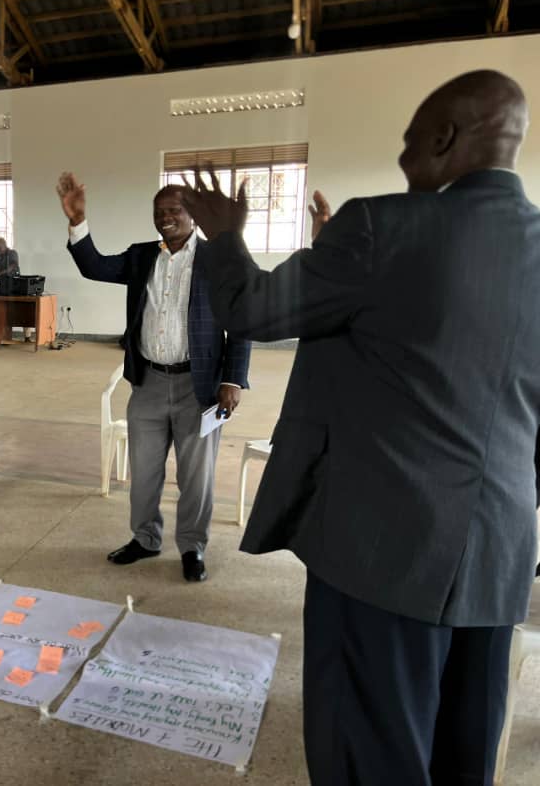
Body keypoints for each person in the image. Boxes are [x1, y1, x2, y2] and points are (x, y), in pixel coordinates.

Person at [177, 70, 539, 785]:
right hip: (498, 556)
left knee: (366, 756)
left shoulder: (383, 227)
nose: (405, 157)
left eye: (411, 141)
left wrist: (225, 238)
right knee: (460, 758)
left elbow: (252, 308)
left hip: (380, 554)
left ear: (445, 136)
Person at [56, 176, 251, 581]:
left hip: (199, 387)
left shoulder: (219, 260)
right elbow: (95, 267)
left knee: (197, 476)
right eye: (159, 212)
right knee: (144, 471)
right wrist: (78, 221)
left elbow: (242, 322)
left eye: (174, 210)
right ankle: (145, 539)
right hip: (147, 382)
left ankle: (192, 547)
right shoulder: (142, 255)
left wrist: (232, 380)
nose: (165, 218)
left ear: (193, 215)